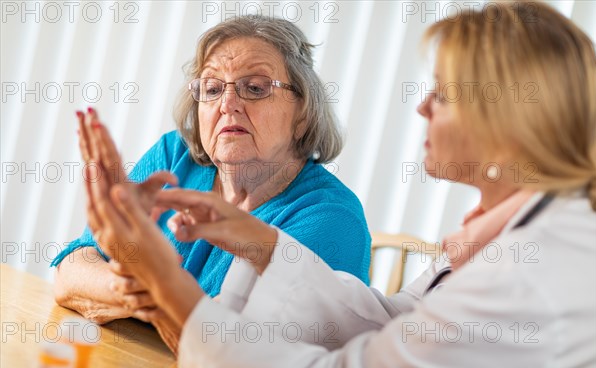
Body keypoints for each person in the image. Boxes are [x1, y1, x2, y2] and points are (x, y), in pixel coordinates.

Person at [81, 1, 596, 368]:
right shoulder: (508, 235)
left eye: (441, 93)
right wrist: (257, 240)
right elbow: (392, 320)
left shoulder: (529, 275)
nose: (421, 108)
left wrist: (159, 276)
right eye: (212, 89)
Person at [51, 16, 372, 351]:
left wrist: (147, 279)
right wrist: (127, 289)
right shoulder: (174, 155)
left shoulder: (332, 218)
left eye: (256, 88)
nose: (227, 104)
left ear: (303, 111)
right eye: (213, 88)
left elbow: (233, 348)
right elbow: (72, 269)